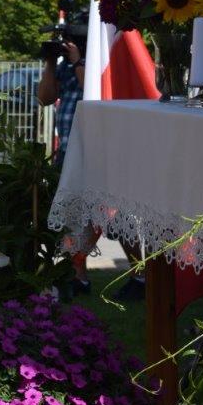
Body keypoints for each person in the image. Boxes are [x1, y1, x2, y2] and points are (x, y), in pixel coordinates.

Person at [37, 39, 144, 301]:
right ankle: (78, 276)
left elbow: (93, 92)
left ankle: (140, 276)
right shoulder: (64, 66)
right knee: (73, 216)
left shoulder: (99, 63)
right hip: (69, 151)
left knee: (117, 217)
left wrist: (78, 62)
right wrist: (50, 63)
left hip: (101, 151)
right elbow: (45, 97)